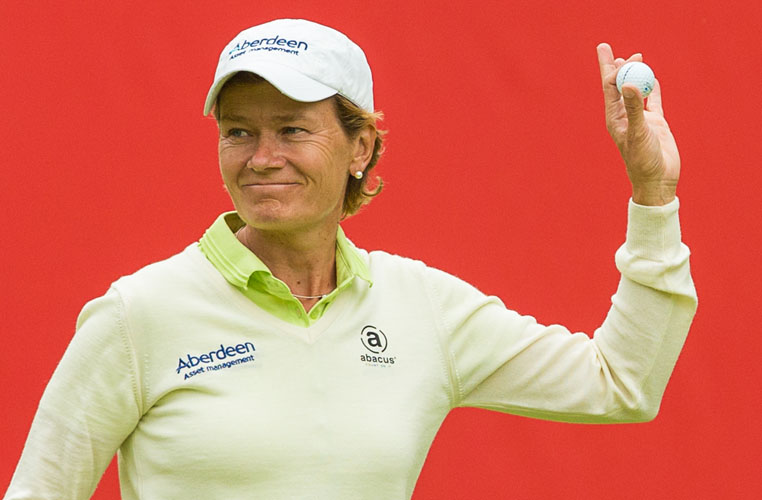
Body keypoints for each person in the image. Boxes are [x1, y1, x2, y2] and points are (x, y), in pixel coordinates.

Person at [4, 18, 697, 500]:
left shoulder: (420, 306)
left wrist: (653, 193)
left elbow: (620, 384)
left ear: (360, 148)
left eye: (292, 129)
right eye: (239, 130)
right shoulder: (138, 313)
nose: (261, 156)